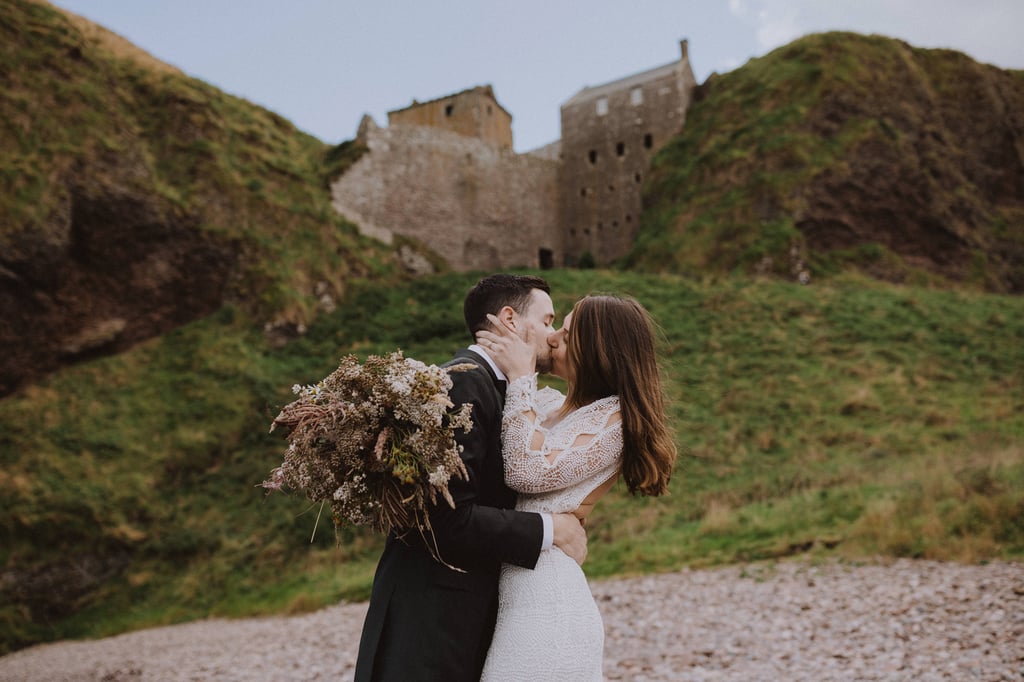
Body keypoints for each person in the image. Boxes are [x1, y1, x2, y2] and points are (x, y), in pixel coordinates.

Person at [354, 274, 588, 682]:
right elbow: (445, 517)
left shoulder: (497, 388)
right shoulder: (463, 383)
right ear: (510, 319)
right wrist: (553, 529)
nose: (553, 336)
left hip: (455, 617)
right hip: (429, 626)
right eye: (548, 320)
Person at [475, 294, 676, 680]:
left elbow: (525, 472)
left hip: (547, 606)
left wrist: (519, 378)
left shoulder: (613, 421)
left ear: (598, 353)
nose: (552, 340)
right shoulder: (545, 404)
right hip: (511, 594)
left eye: (566, 336)